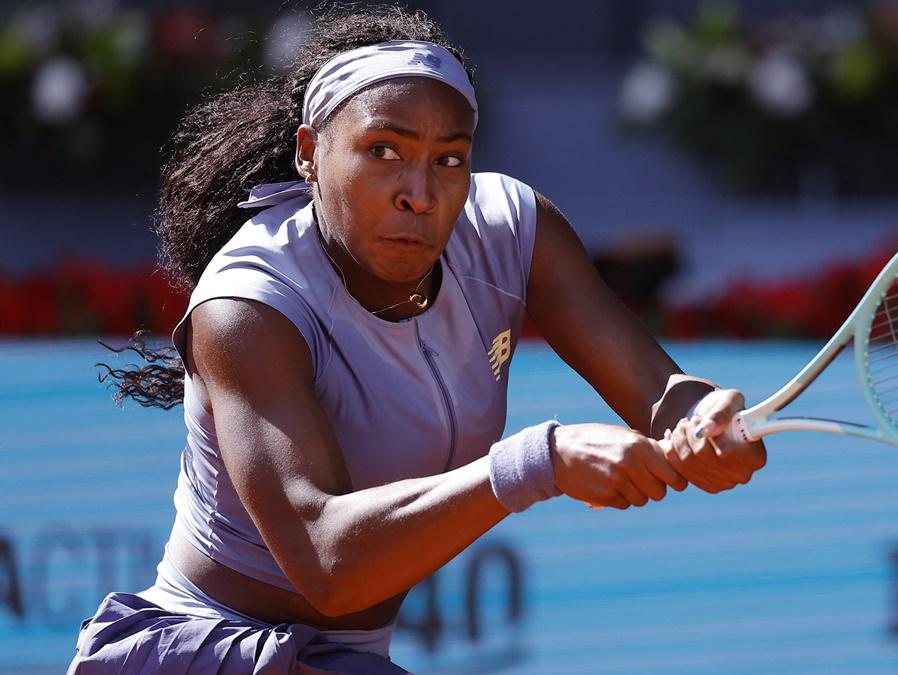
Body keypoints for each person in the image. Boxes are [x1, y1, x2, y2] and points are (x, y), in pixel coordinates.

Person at [73, 7, 765, 673]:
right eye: (384, 151)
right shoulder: (248, 306)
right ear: (311, 155)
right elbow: (327, 562)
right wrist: (540, 461)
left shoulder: (512, 233)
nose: (420, 192)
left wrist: (700, 419)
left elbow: (656, 389)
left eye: (449, 159)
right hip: (210, 650)